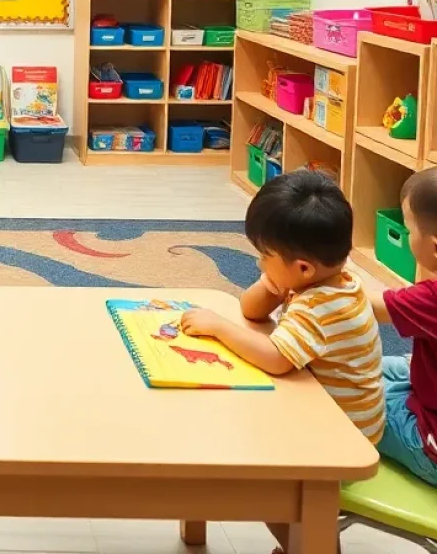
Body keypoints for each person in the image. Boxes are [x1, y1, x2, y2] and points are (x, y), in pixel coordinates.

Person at [181, 170, 384, 440]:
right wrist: (271, 285)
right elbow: (250, 310)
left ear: (303, 268)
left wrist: (219, 326)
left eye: (265, 256)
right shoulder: (330, 280)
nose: (259, 263)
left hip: (341, 436)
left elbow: (276, 359)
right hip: (335, 413)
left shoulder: (321, 305)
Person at [369, 168, 437, 486]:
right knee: (373, 367)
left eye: (409, 229)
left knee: (334, 392)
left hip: (429, 444)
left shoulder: (431, 299)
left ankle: (314, 508)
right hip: (426, 391)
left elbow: (365, 306)